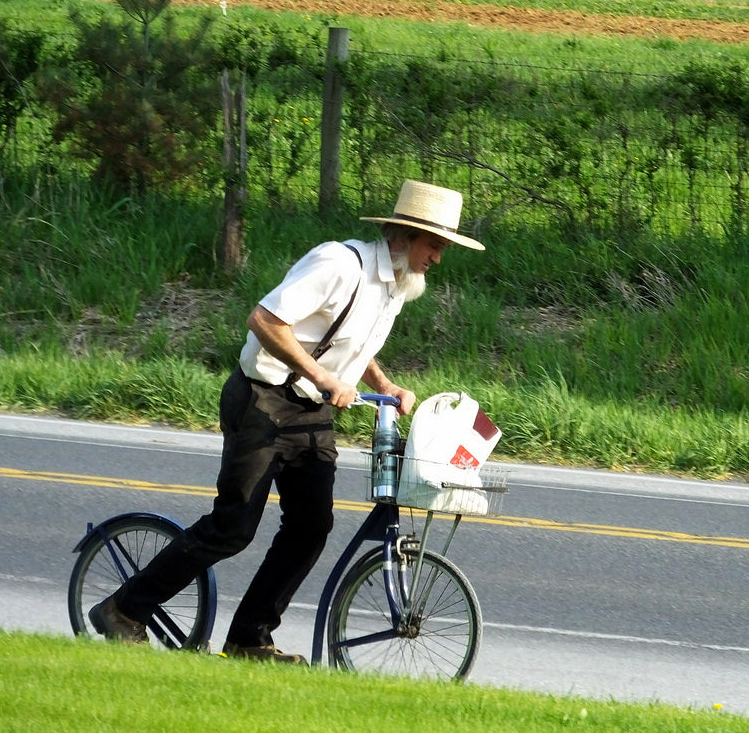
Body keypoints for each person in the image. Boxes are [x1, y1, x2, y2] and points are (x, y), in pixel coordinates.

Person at [89, 179, 485, 662]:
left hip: (311, 410)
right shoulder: (340, 264)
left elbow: (351, 345)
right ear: (401, 236)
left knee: (310, 527)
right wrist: (322, 377)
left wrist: (385, 386)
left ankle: (248, 640)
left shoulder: (397, 285)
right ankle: (124, 609)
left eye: (443, 247)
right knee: (234, 528)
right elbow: (264, 319)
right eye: (435, 245)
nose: (438, 257)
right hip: (261, 398)